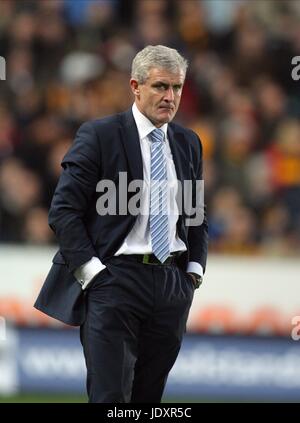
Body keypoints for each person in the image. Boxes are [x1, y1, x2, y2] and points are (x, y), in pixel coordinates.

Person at [34, 45, 208, 403]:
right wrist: (92, 273)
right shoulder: (100, 135)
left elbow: (195, 213)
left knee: (149, 399)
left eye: (177, 88)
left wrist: (194, 270)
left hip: (171, 284)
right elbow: (64, 210)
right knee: (111, 397)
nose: (170, 96)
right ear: (135, 86)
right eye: (160, 86)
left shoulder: (189, 142)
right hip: (115, 281)